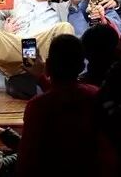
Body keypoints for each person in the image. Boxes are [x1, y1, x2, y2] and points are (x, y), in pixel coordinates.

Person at [17, 34, 106, 177]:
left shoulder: (37, 106)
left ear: (48, 66)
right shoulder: (96, 95)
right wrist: (41, 79)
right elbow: (67, 94)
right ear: (82, 66)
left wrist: (41, 77)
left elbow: (26, 160)